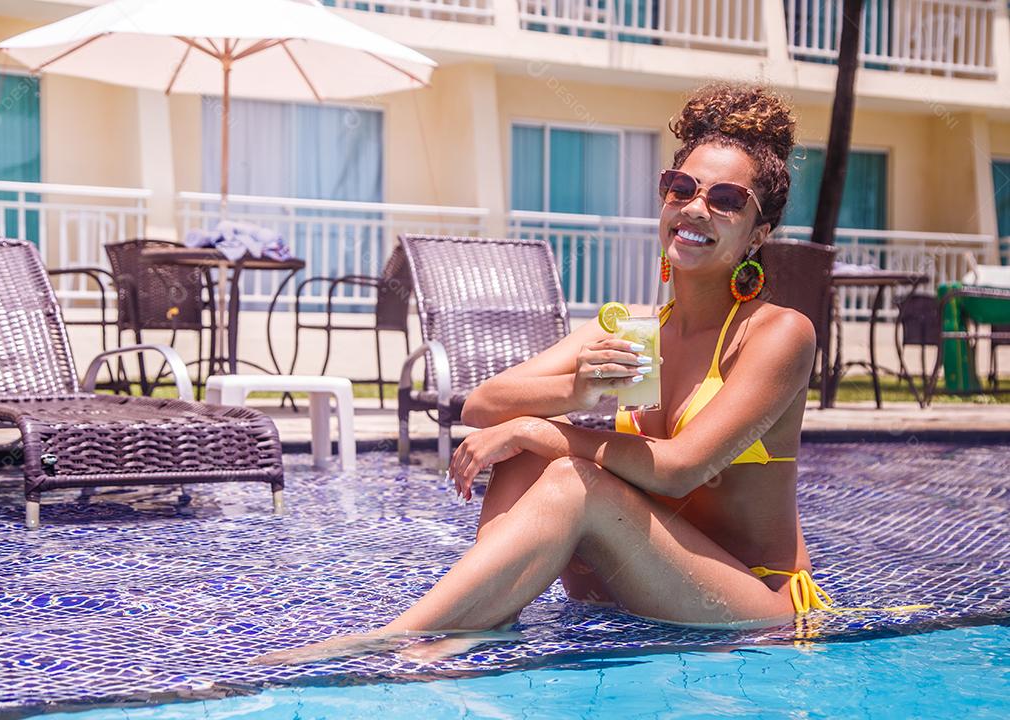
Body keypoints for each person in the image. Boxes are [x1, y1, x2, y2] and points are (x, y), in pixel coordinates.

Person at [253, 82, 819, 666]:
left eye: (727, 199)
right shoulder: (636, 339)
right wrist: (576, 390)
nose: (696, 207)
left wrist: (540, 430)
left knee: (565, 470)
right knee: (527, 442)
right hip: (633, 583)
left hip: (749, 605)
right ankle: (487, 620)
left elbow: (679, 470)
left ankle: (388, 641)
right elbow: (480, 404)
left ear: (759, 232)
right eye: (681, 188)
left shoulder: (775, 333)